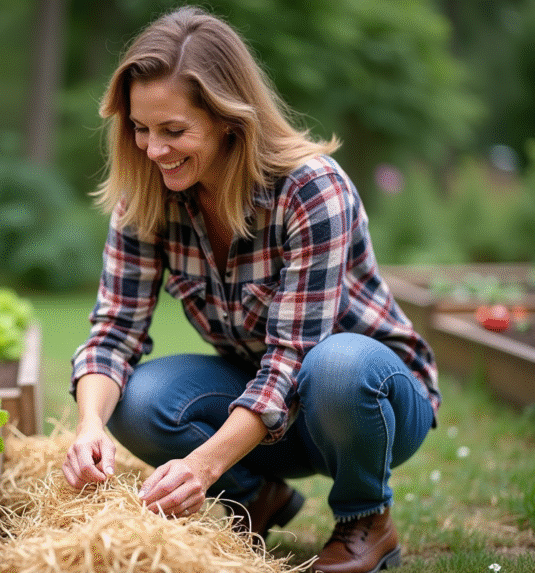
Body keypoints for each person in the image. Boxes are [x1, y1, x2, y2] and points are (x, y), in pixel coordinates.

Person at [62, 6, 440, 573]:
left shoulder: (311, 189)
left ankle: (366, 519)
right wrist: (89, 426)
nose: (152, 149)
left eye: (174, 131)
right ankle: (257, 498)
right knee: (136, 400)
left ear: (229, 120)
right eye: (141, 128)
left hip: (364, 403)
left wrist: (202, 466)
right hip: (264, 410)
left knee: (336, 365)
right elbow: (113, 332)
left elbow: (295, 356)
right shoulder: (147, 199)